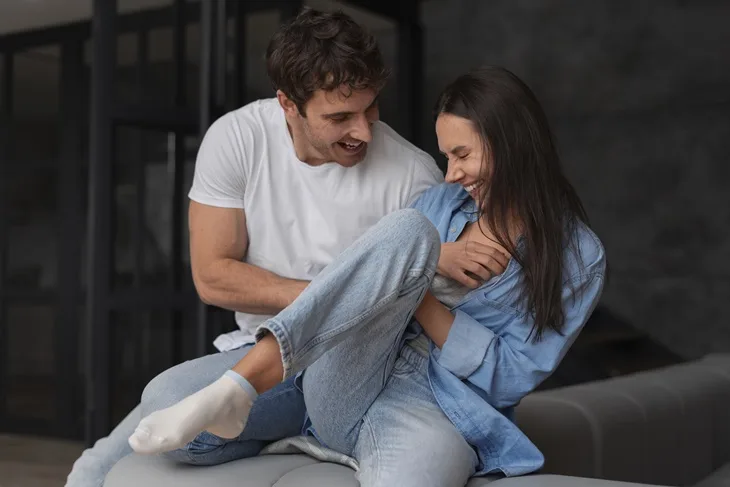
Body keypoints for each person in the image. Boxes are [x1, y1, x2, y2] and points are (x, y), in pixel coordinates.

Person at [66, 8, 496, 486]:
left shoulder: (413, 173)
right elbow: (213, 277)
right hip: (264, 359)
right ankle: (287, 428)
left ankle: (287, 427)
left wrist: (349, 305)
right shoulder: (238, 139)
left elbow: (428, 307)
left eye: (371, 107)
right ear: (288, 104)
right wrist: (345, 295)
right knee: (126, 438)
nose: (363, 131)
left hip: (355, 369)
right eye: (340, 117)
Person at [128, 65, 606, 486]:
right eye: (446, 157)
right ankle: (246, 387)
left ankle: (283, 418)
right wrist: (419, 266)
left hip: (434, 405)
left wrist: (415, 294)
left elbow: (510, 377)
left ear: (512, 144)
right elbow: (379, 270)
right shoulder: (439, 205)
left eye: (461, 155)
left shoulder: (579, 257)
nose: (451, 175)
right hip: (339, 371)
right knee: (164, 401)